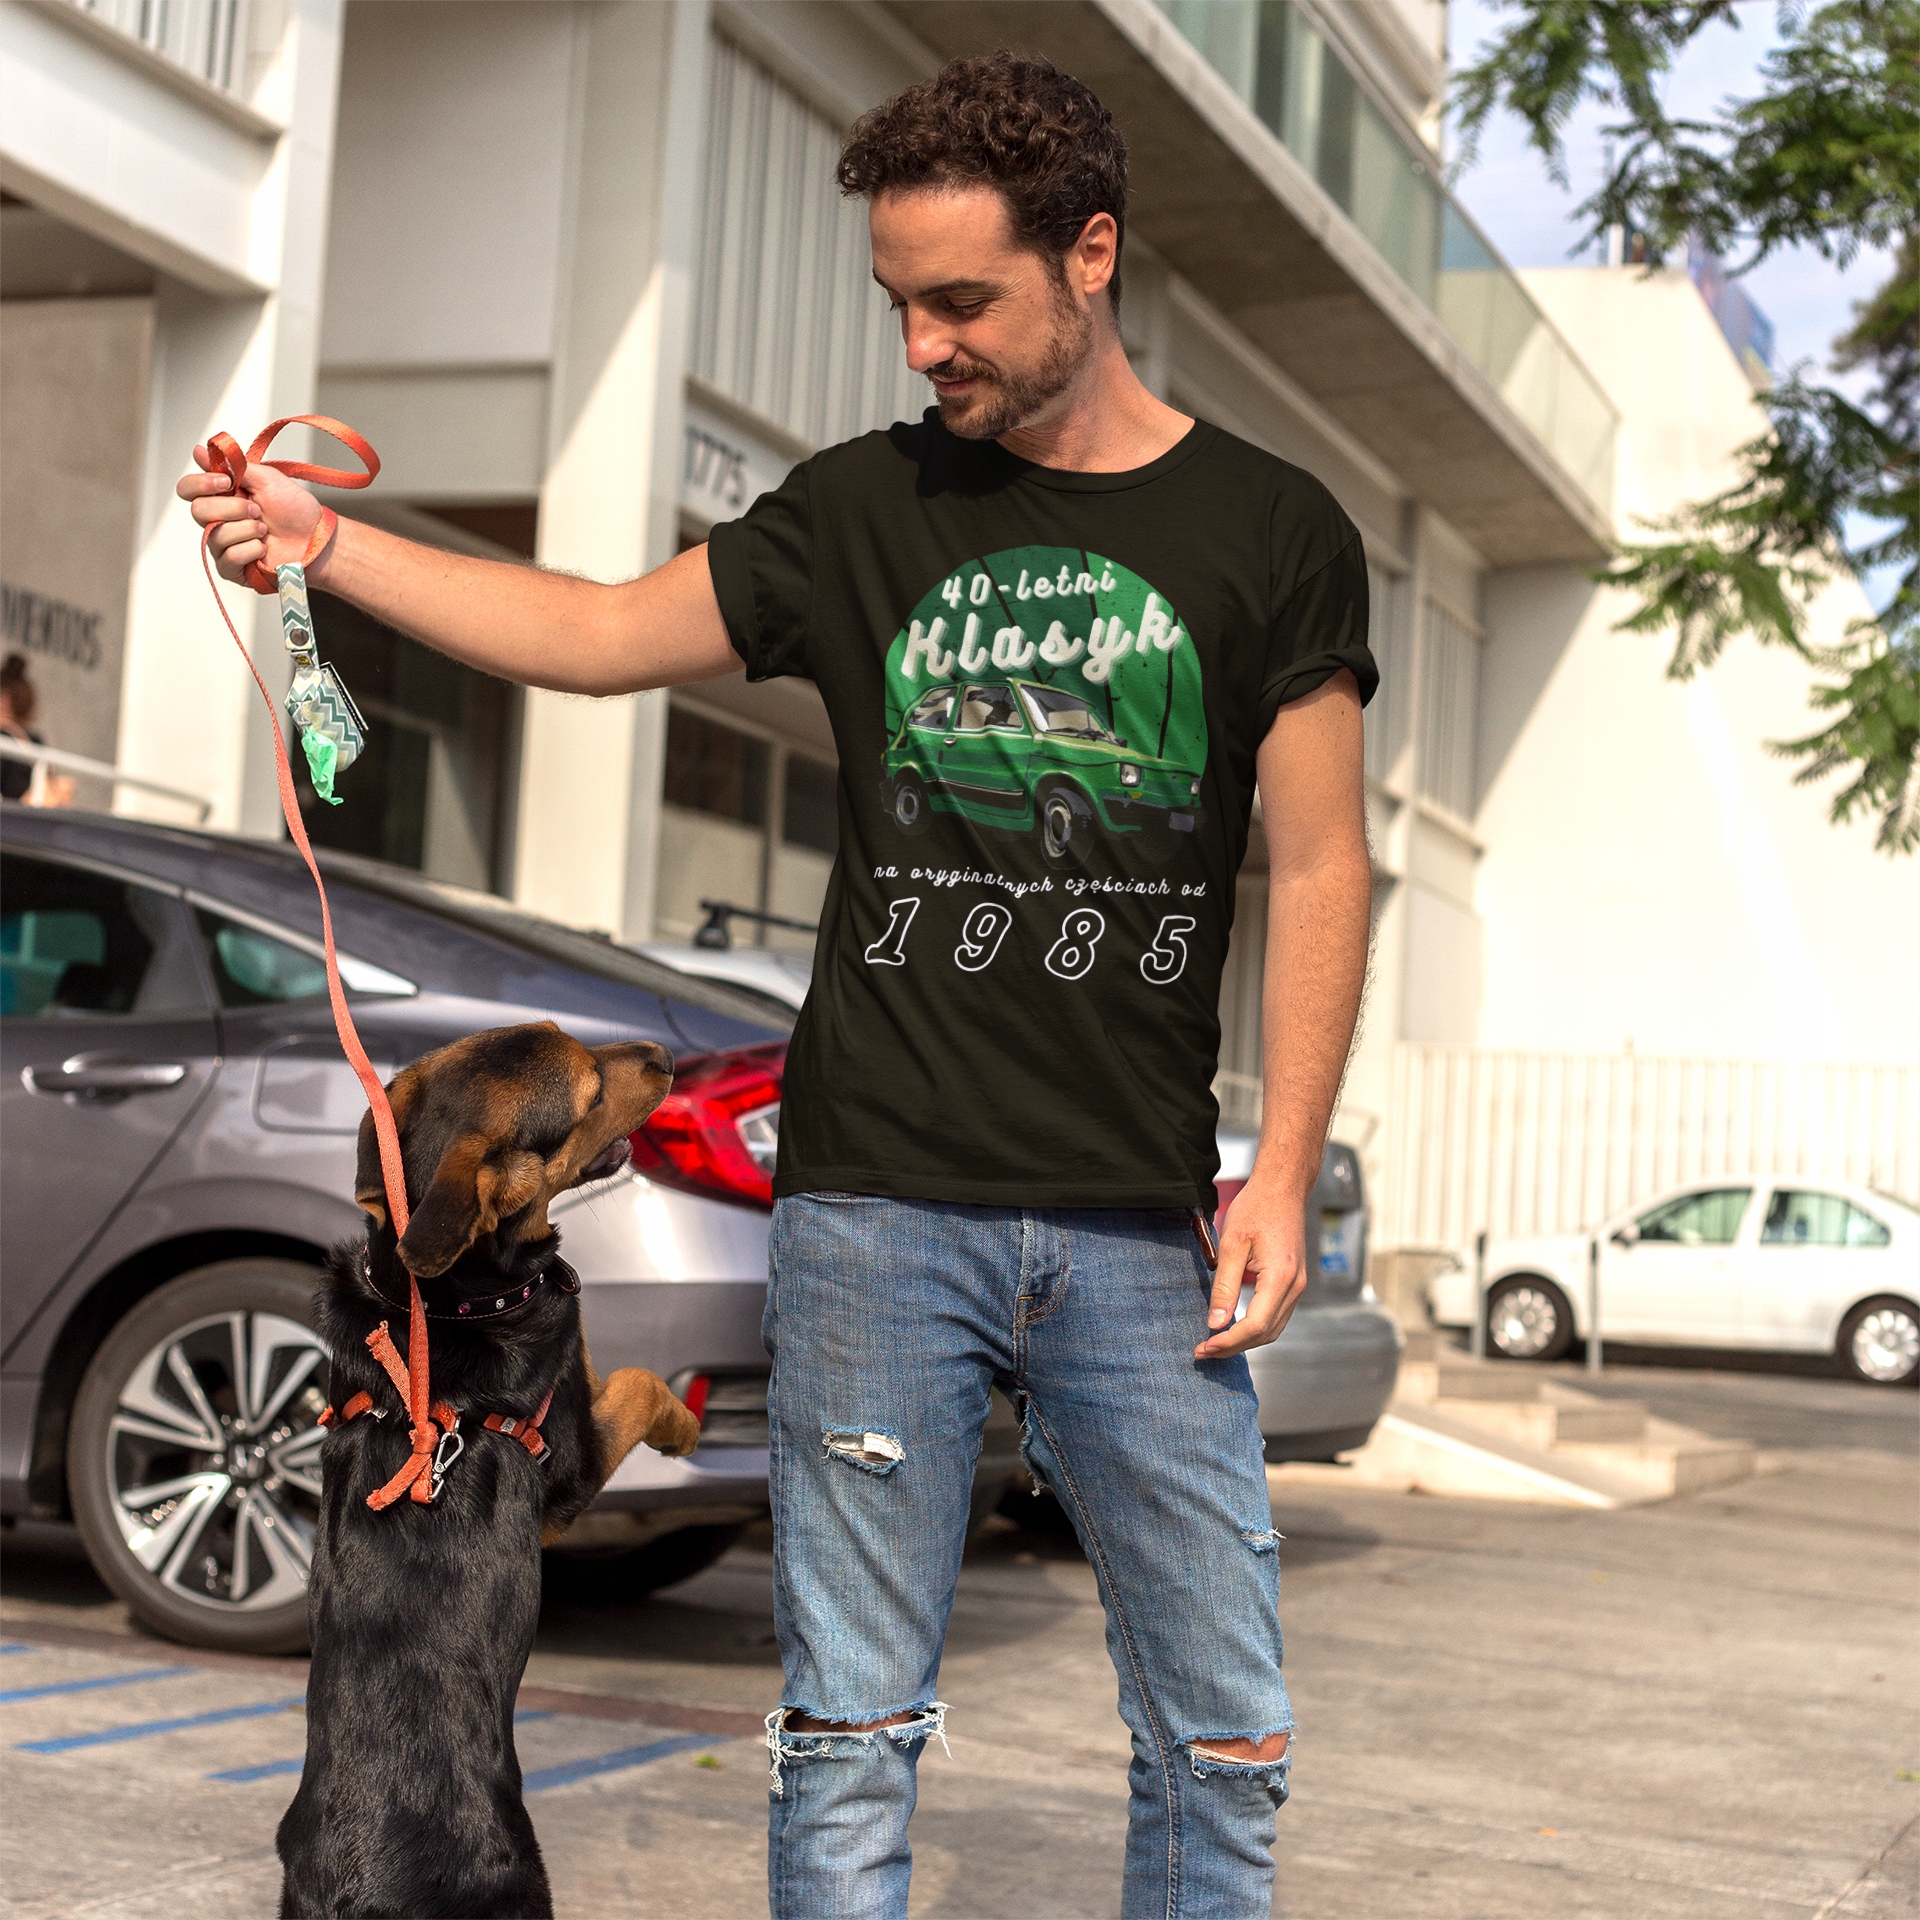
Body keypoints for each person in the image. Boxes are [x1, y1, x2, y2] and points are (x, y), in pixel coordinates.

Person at [182, 53, 1374, 1920]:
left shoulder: (1272, 528)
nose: (922, 345)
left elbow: (1319, 864)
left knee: (1222, 1737)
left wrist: (1282, 1169)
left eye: (961, 299)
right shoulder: (861, 510)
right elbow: (592, 632)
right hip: (872, 1217)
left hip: (1142, 1232)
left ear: (1092, 254)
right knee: (847, 1739)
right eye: (897, 302)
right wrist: (328, 546)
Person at [0, 654, 74, 808]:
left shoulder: (4, 737)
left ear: (6, 702)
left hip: (10, 816)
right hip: (32, 817)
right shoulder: (35, 738)